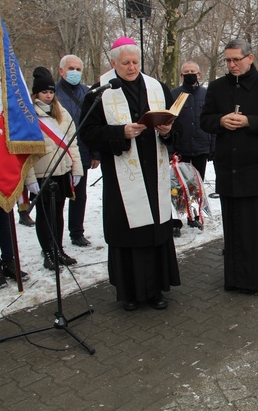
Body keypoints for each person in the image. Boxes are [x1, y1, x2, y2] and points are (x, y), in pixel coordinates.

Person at [80, 37, 181, 311]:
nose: (131, 67)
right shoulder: (99, 93)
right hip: (122, 178)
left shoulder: (157, 87)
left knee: (155, 231)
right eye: (125, 63)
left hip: (155, 173)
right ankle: (130, 293)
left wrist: (168, 131)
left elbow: (176, 125)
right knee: (129, 233)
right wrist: (119, 132)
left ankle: (157, 290)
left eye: (135, 62)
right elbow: (87, 133)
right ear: (113, 63)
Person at [200, 38, 258, 294]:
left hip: (256, 165)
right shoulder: (217, 87)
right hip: (228, 166)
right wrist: (221, 120)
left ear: (250, 58)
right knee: (233, 224)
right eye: (227, 60)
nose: (231, 65)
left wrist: (249, 121)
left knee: (254, 225)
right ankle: (235, 277)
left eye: (236, 60)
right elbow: (205, 120)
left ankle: (257, 277)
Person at [25, 67, 83, 271]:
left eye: (51, 92)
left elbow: (72, 143)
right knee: (45, 215)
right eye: (44, 92)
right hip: (42, 173)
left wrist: (76, 169)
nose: (48, 96)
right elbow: (26, 151)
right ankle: (48, 252)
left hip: (62, 171)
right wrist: (29, 178)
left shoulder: (62, 112)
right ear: (36, 94)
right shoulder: (29, 114)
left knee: (58, 213)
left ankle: (58, 249)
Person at [55, 54, 100, 247]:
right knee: (57, 200)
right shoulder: (53, 94)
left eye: (78, 69)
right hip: (57, 156)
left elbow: (94, 124)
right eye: (71, 68)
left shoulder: (87, 93)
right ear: (61, 71)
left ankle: (77, 232)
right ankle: (54, 237)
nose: (75, 72)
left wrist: (95, 153)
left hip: (81, 153)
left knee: (79, 195)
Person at [169, 60, 215, 234]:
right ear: (181, 75)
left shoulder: (207, 94)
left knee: (196, 184)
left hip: (201, 147)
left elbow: (212, 121)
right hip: (179, 149)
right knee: (176, 186)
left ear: (199, 74)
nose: (190, 74)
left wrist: (212, 147)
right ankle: (175, 220)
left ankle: (194, 216)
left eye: (193, 71)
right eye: (186, 71)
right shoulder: (174, 95)